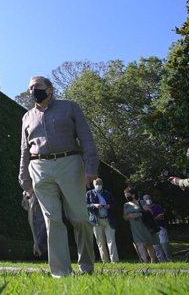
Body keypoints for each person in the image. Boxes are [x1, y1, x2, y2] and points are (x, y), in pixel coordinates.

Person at [18, 76, 97, 278]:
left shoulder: (70, 107)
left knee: (79, 218)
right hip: (39, 168)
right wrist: (24, 178)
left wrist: (91, 168)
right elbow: (24, 150)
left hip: (69, 163)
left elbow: (86, 139)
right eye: (30, 89)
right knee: (52, 219)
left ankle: (87, 266)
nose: (33, 92)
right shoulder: (27, 117)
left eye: (37, 87)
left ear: (50, 89)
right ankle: (61, 272)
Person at [86, 178, 119, 263]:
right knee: (100, 242)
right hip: (96, 221)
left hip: (108, 220)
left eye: (100, 184)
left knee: (111, 240)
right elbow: (85, 206)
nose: (98, 185)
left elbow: (115, 205)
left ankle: (114, 261)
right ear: (93, 184)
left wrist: (109, 206)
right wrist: (94, 205)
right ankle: (105, 261)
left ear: (102, 184)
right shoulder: (89, 194)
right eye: (96, 184)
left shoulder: (108, 194)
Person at [123, 187, 157, 263]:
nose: (126, 197)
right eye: (125, 195)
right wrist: (129, 216)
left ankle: (153, 260)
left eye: (128, 195)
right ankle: (145, 262)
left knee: (149, 244)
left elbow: (150, 212)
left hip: (144, 226)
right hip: (134, 228)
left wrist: (139, 214)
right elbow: (124, 217)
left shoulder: (142, 202)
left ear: (133, 195)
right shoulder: (126, 205)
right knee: (139, 244)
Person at [142, 193, 172, 262]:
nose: (148, 200)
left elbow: (162, 217)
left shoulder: (157, 207)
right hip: (152, 229)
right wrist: (156, 218)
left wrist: (154, 218)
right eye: (146, 199)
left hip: (161, 227)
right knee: (156, 246)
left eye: (149, 198)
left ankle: (169, 259)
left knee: (164, 244)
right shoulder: (144, 210)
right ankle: (161, 260)